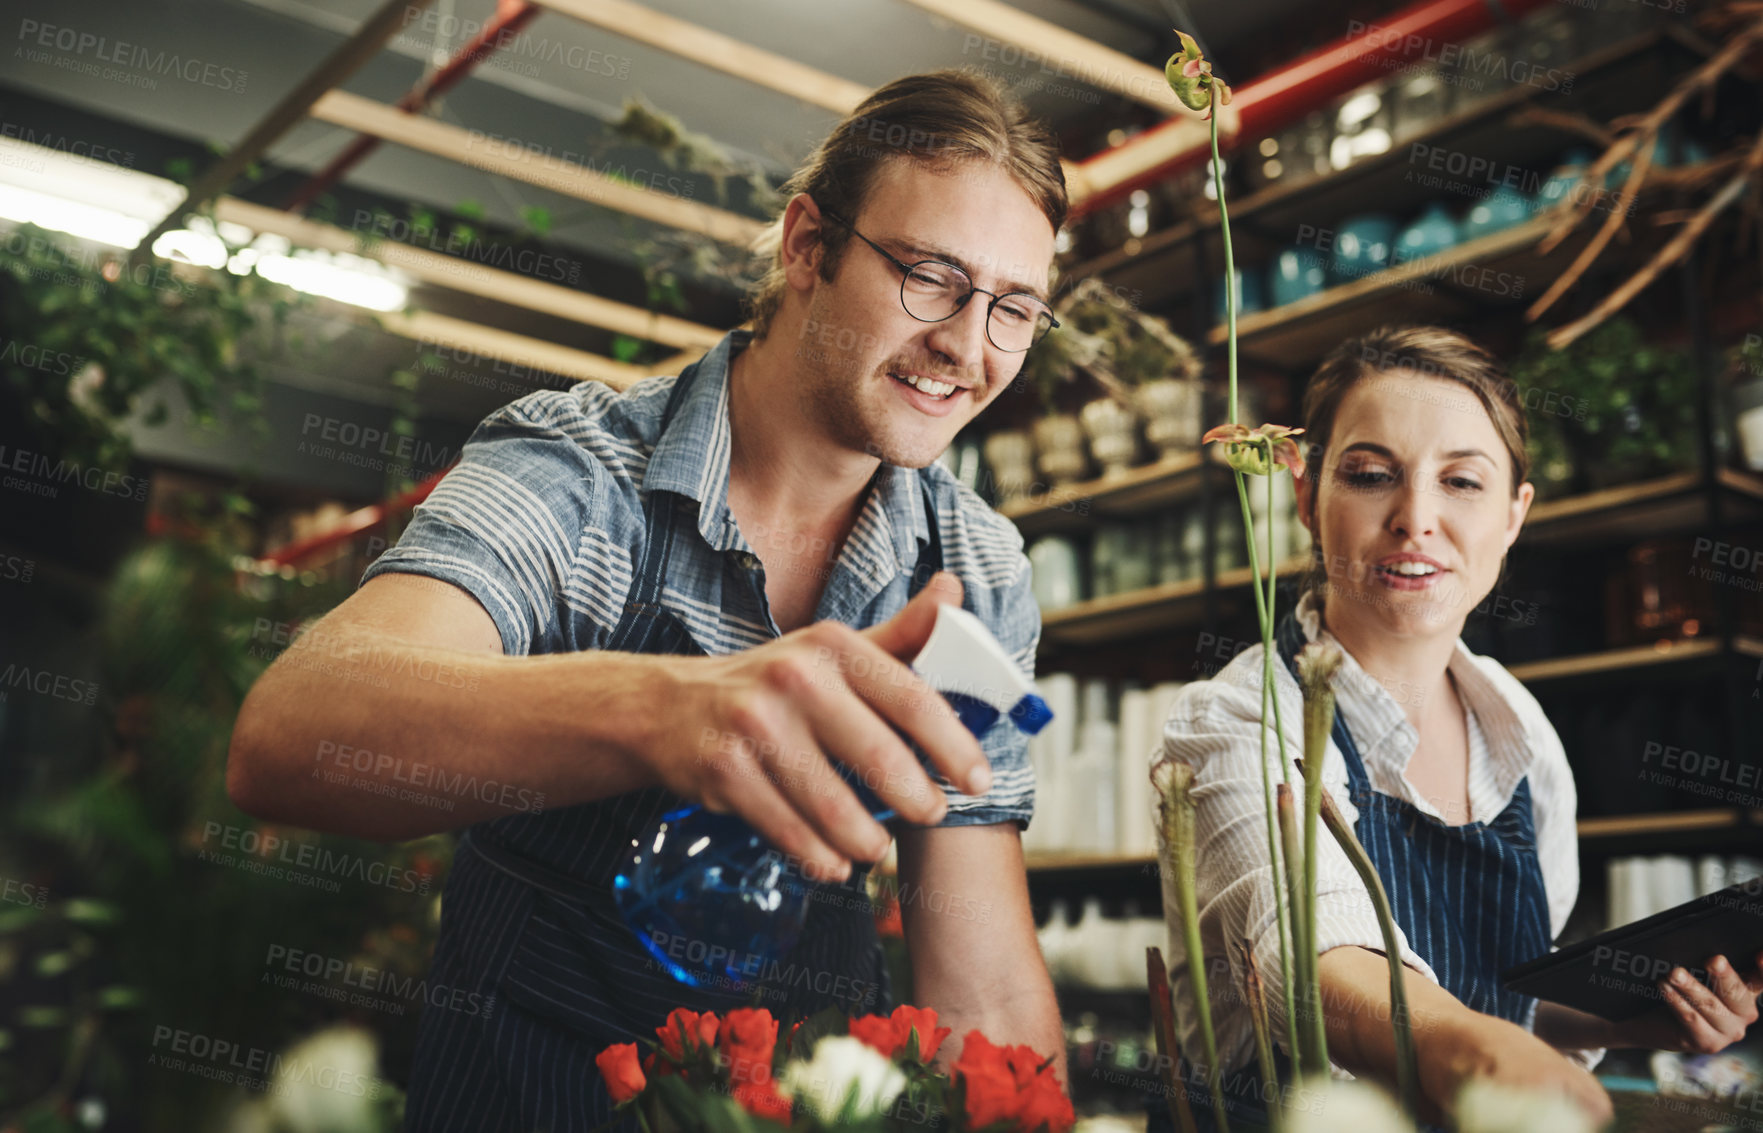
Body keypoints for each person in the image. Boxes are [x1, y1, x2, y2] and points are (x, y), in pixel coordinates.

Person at [227, 69, 1069, 1132]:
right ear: (807, 245)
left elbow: (982, 991)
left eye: (1014, 307)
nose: (967, 342)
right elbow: (292, 731)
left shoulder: (973, 566)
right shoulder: (579, 474)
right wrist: (666, 710)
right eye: (931, 276)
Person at [1152, 325, 1763, 1129]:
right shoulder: (1235, 718)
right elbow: (1311, 969)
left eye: (1462, 483)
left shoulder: (1519, 730)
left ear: (1514, 516)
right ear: (1305, 498)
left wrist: (1626, 1019)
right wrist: (1485, 1057)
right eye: (1371, 476)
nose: (1415, 518)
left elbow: (1503, 1001)